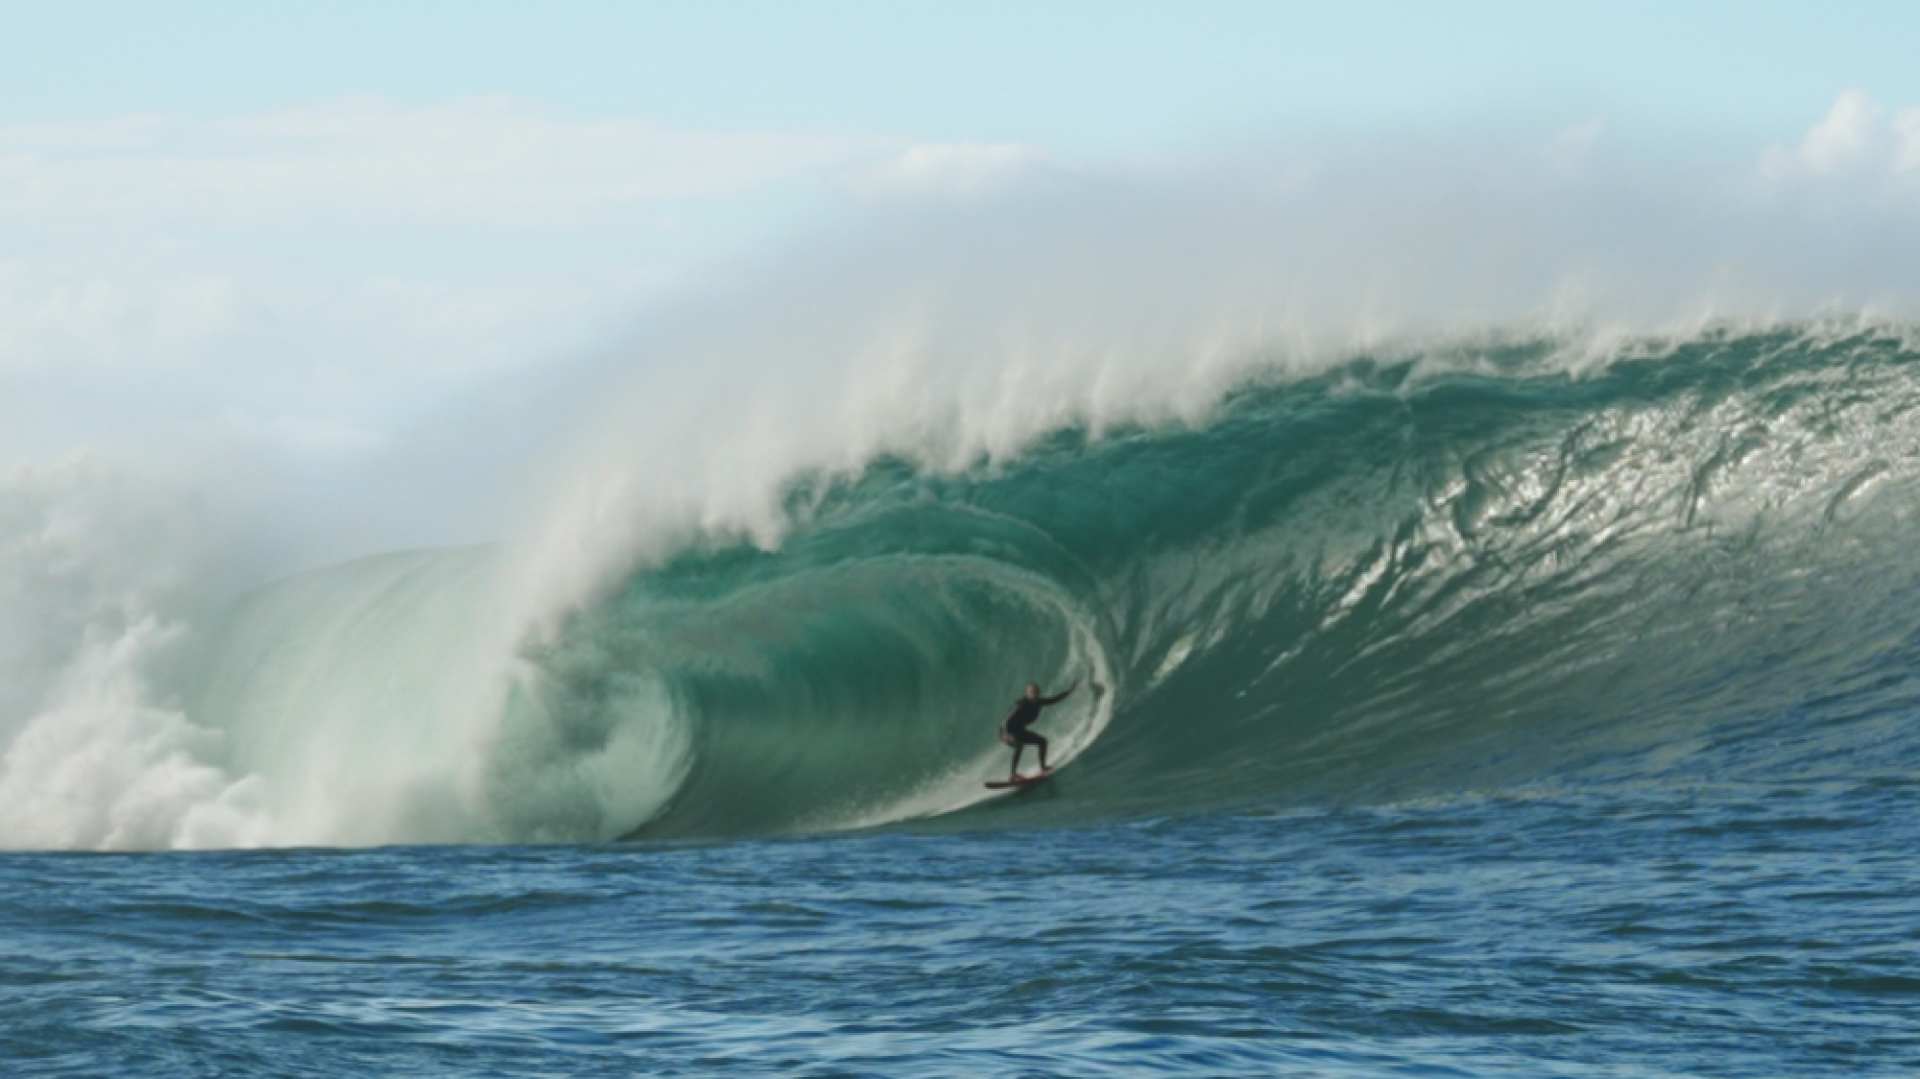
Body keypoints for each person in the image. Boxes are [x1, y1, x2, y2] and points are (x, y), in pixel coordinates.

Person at [999, 679, 1077, 780]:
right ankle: (1013, 775)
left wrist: (1070, 690)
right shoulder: (1021, 704)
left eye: (1035, 692)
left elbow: (1054, 699)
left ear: (1038, 693)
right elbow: (1007, 720)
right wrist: (1005, 735)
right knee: (1019, 745)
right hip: (1006, 731)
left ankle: (1043, 767)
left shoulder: (1039, 702)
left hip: (1018, 731)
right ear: (1026, 693)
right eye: (1031, 692)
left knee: (1042, 742)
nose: (1033, 694)